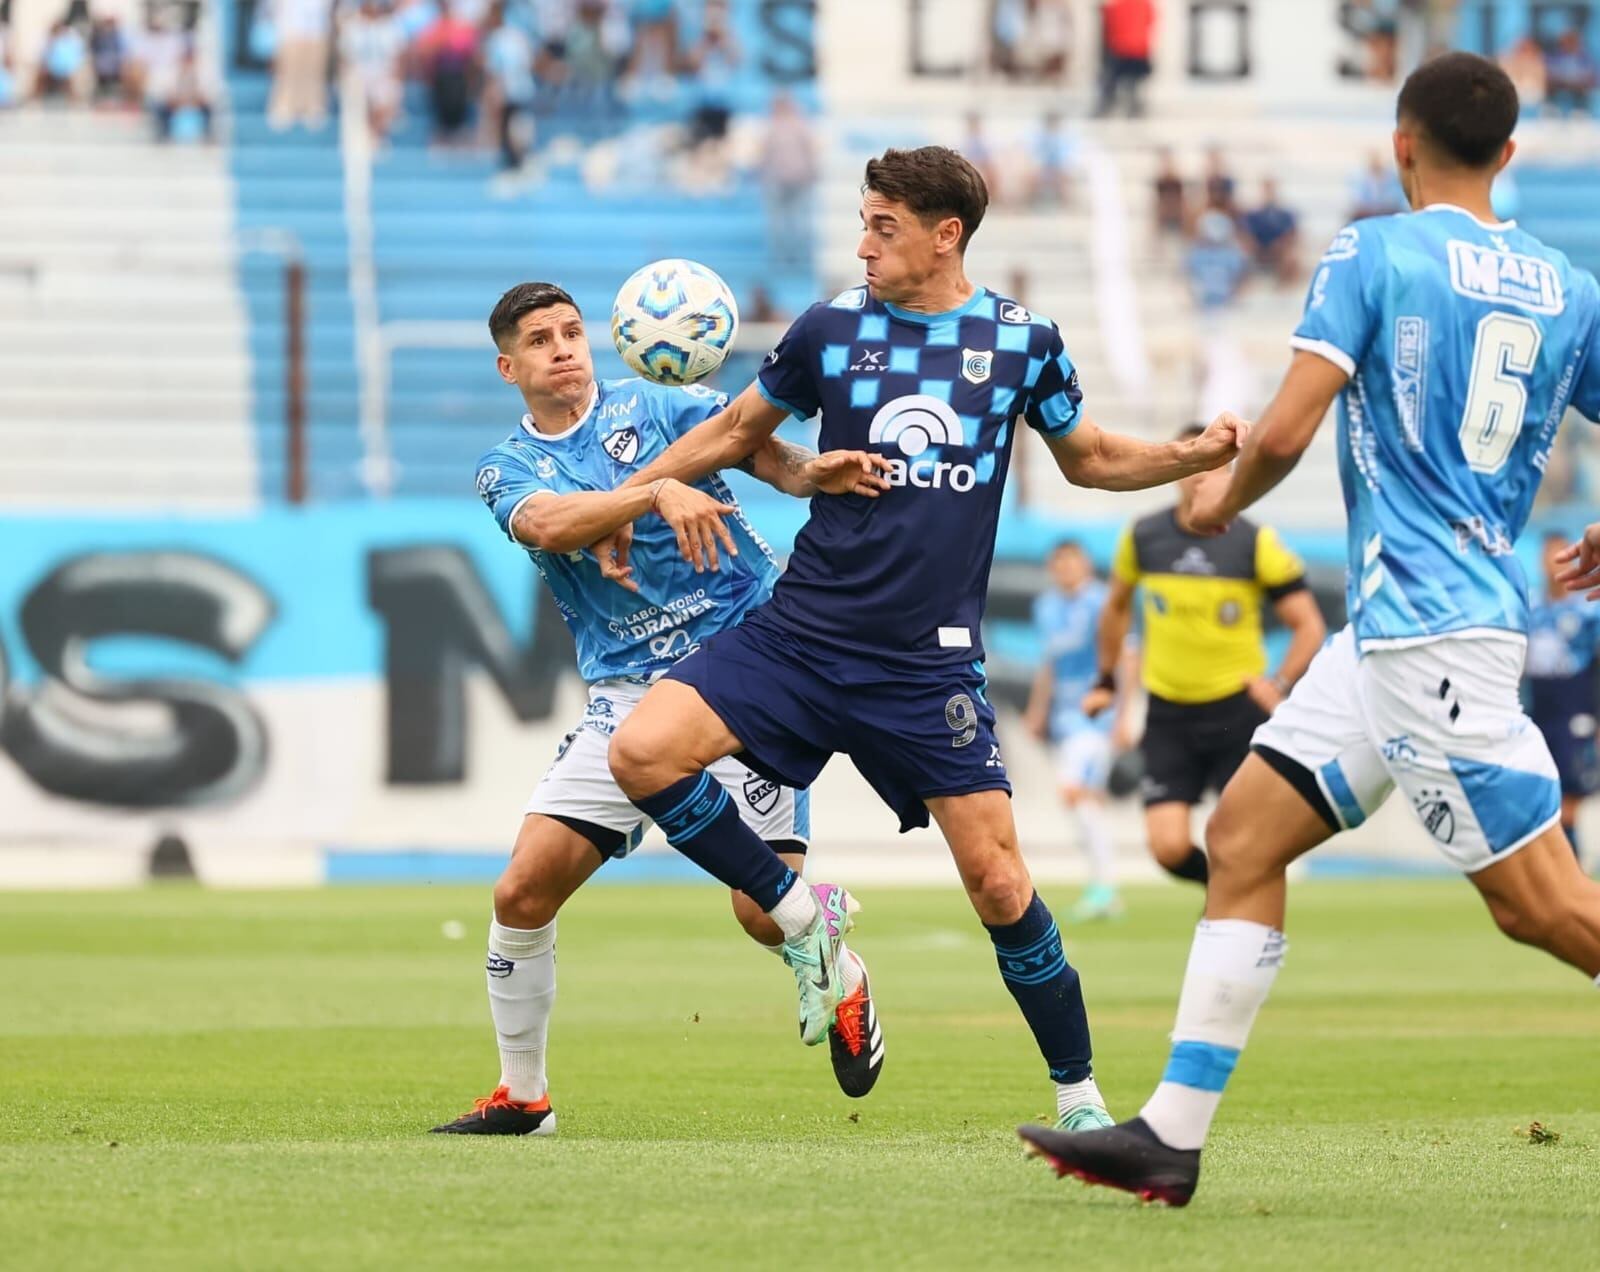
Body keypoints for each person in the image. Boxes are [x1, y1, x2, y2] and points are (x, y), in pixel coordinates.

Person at [1018, 51, 1600, 1207]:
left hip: (1432, 642)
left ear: (1398, 143)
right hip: (1389, 640)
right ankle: (1170, 1139)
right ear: (1509, 154)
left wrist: (1216, 502)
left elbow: (1281, 431)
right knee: (1240, 841)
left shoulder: (1374, 250)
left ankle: (1171, 1133)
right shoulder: (1569, 287)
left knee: (1542, 910)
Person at [598, 146, 1248, 1134]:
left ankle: (1080, 1103)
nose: (862, 244)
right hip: (802, 633)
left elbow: (1093, 459)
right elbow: (736, 430)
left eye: (882, 226)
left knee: (997, 880)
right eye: (862, 222)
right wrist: (639, 495)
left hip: (924, 662)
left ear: (946, 233)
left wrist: (1187, 455)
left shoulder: (1024, 343)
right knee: (641, 752)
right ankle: (800, 918)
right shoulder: (829, 330)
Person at [431, 282, 891, 1134]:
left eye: (572, 331)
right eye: (540, 340)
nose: (563, 348)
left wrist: (807, 471)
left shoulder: (664, 403)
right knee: (522, 893)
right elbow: (555, 525)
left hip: (744, 669)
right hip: (627, 693)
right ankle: (523, 1096)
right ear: (509, 367)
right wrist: (655, 494)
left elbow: (765, 454)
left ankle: (838, 963)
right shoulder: (509, 467)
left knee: (758, 916)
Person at [1085, 434, 1324, 886]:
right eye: (1193, 465)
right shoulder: (1144, 535)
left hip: (1236, 711)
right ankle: (1227, 893)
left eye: (1214, 467)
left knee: (1245, 842)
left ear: (1229, 474)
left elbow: (1309, 624)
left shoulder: (1256, 542)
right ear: (1174, 469)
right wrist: (1105, 679)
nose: (1200, 480)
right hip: (1169, 712)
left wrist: (1278, 683)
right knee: (1168, 848)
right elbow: (1115, 608)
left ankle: (1237, 916)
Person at [1024, 541, 1128, 920]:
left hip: (1095, 717)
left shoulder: (1102, 602)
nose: (1066, 569)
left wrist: (1125, 715)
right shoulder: (1046, 608)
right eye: (1060, 563)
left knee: (1076, 794)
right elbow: (1049, 664)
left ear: (1085, 565)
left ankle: (1105, 887)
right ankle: (1103, 887)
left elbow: (1126, 657)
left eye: (1073, 562)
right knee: (1083, 801)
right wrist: (1038, 712)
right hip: (1063, 720)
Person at [1527, 532, 1600, 866]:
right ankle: (1560, 873)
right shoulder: (1530, 608)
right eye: (1549, 557)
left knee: (1569, 800)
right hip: (1538, 711)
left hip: (1576, 709)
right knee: (1545, 799)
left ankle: (1572, 871)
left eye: (1561, 557)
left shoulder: (1588, 611)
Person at [338, 0, 405, 145]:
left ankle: (377, 134)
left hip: (383, 75)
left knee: (387, 91)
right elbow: (345, 60)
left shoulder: (390, 27)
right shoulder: (352, 27)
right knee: (357, 89)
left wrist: (393, 78)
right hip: (359, 75)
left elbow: (397, 59)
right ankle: (366, 134)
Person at [267, 0, 335, 131]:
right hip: (291, 30)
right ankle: (285, 107)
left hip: (317, 30)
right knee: (288, 72)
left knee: (314, 72)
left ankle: (314, 107)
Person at [1094, 0, 1154, 118]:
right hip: (1138, 48)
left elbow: (1110, 22)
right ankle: (1133, 108)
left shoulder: (1117, 5)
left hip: (1121, 47)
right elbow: (1150, 20)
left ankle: (1108, 106)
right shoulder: (1144, 4)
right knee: (1133, 82)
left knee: (1113, 79)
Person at [1240, 177, 1299, 285]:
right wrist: (1255, 246)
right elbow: (1246, 235)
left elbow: (1291, 235)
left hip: (1279, 251)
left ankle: (1284, 288)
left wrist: (1279, 246)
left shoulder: (1285, 215)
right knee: (1241, 256)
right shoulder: (1252, 215)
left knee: (1290, 258)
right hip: (1258, 250)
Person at [1543, 28, 1597, 118]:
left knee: (1583, 90)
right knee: (1550, 87)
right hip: (1559, 88)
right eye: (1567, 41)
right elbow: (1550, 74)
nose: (1569, 44)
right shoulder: (1554, 57)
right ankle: (1551, 113)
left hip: (1579, 90)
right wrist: (1566, 80)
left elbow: (1591, 77)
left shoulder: (1585, 58)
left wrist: (1575, 81)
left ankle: (1581, 113)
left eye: (1572, 41)